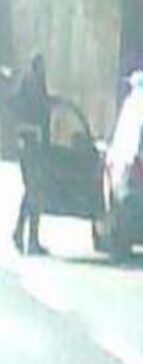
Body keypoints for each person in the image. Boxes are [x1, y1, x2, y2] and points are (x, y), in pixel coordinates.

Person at [10, 54, 50, 255]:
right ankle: (27, 237)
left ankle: (24, 235)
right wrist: (29, 129)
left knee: (34, 192)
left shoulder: (36, 85)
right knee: (34, 190)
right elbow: (16, 111)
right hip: (28, 144)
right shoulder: (27, 85)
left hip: (36, 145)